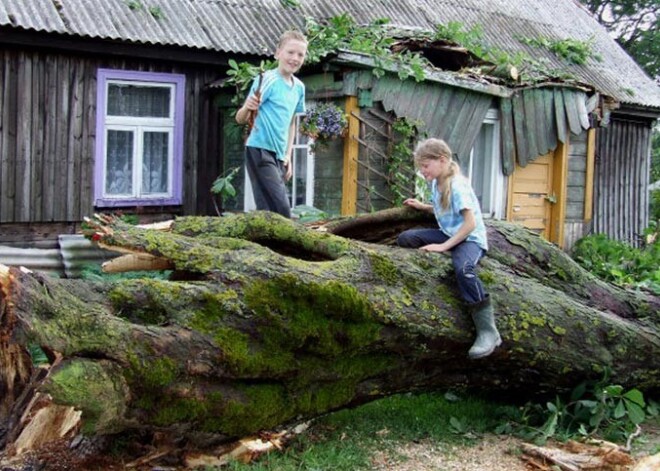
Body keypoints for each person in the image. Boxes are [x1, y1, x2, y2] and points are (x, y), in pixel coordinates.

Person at [397, 138, 502, 359]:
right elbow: (443, 209)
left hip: (469, 239)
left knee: (464, 268)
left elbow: (470, 223)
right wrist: (423, 207)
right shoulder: (437, 182)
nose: (422, 171)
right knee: (407, 238)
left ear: (442, 160)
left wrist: (444, 246)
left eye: (425, 166)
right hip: (450, 234)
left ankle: (487, 331)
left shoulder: (457, 186)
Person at [235, 30, 307, 218]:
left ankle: (264, 246)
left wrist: (288, 155)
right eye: (290, 52)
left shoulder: (299, 87)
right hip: (259, 148)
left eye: (300, 54)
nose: (295, 58)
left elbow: (292, 122)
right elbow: (240, 118)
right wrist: (247, 107)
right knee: (281, 208)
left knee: (268, 211)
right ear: (278, 53)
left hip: (279, 154)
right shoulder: (267, 80)